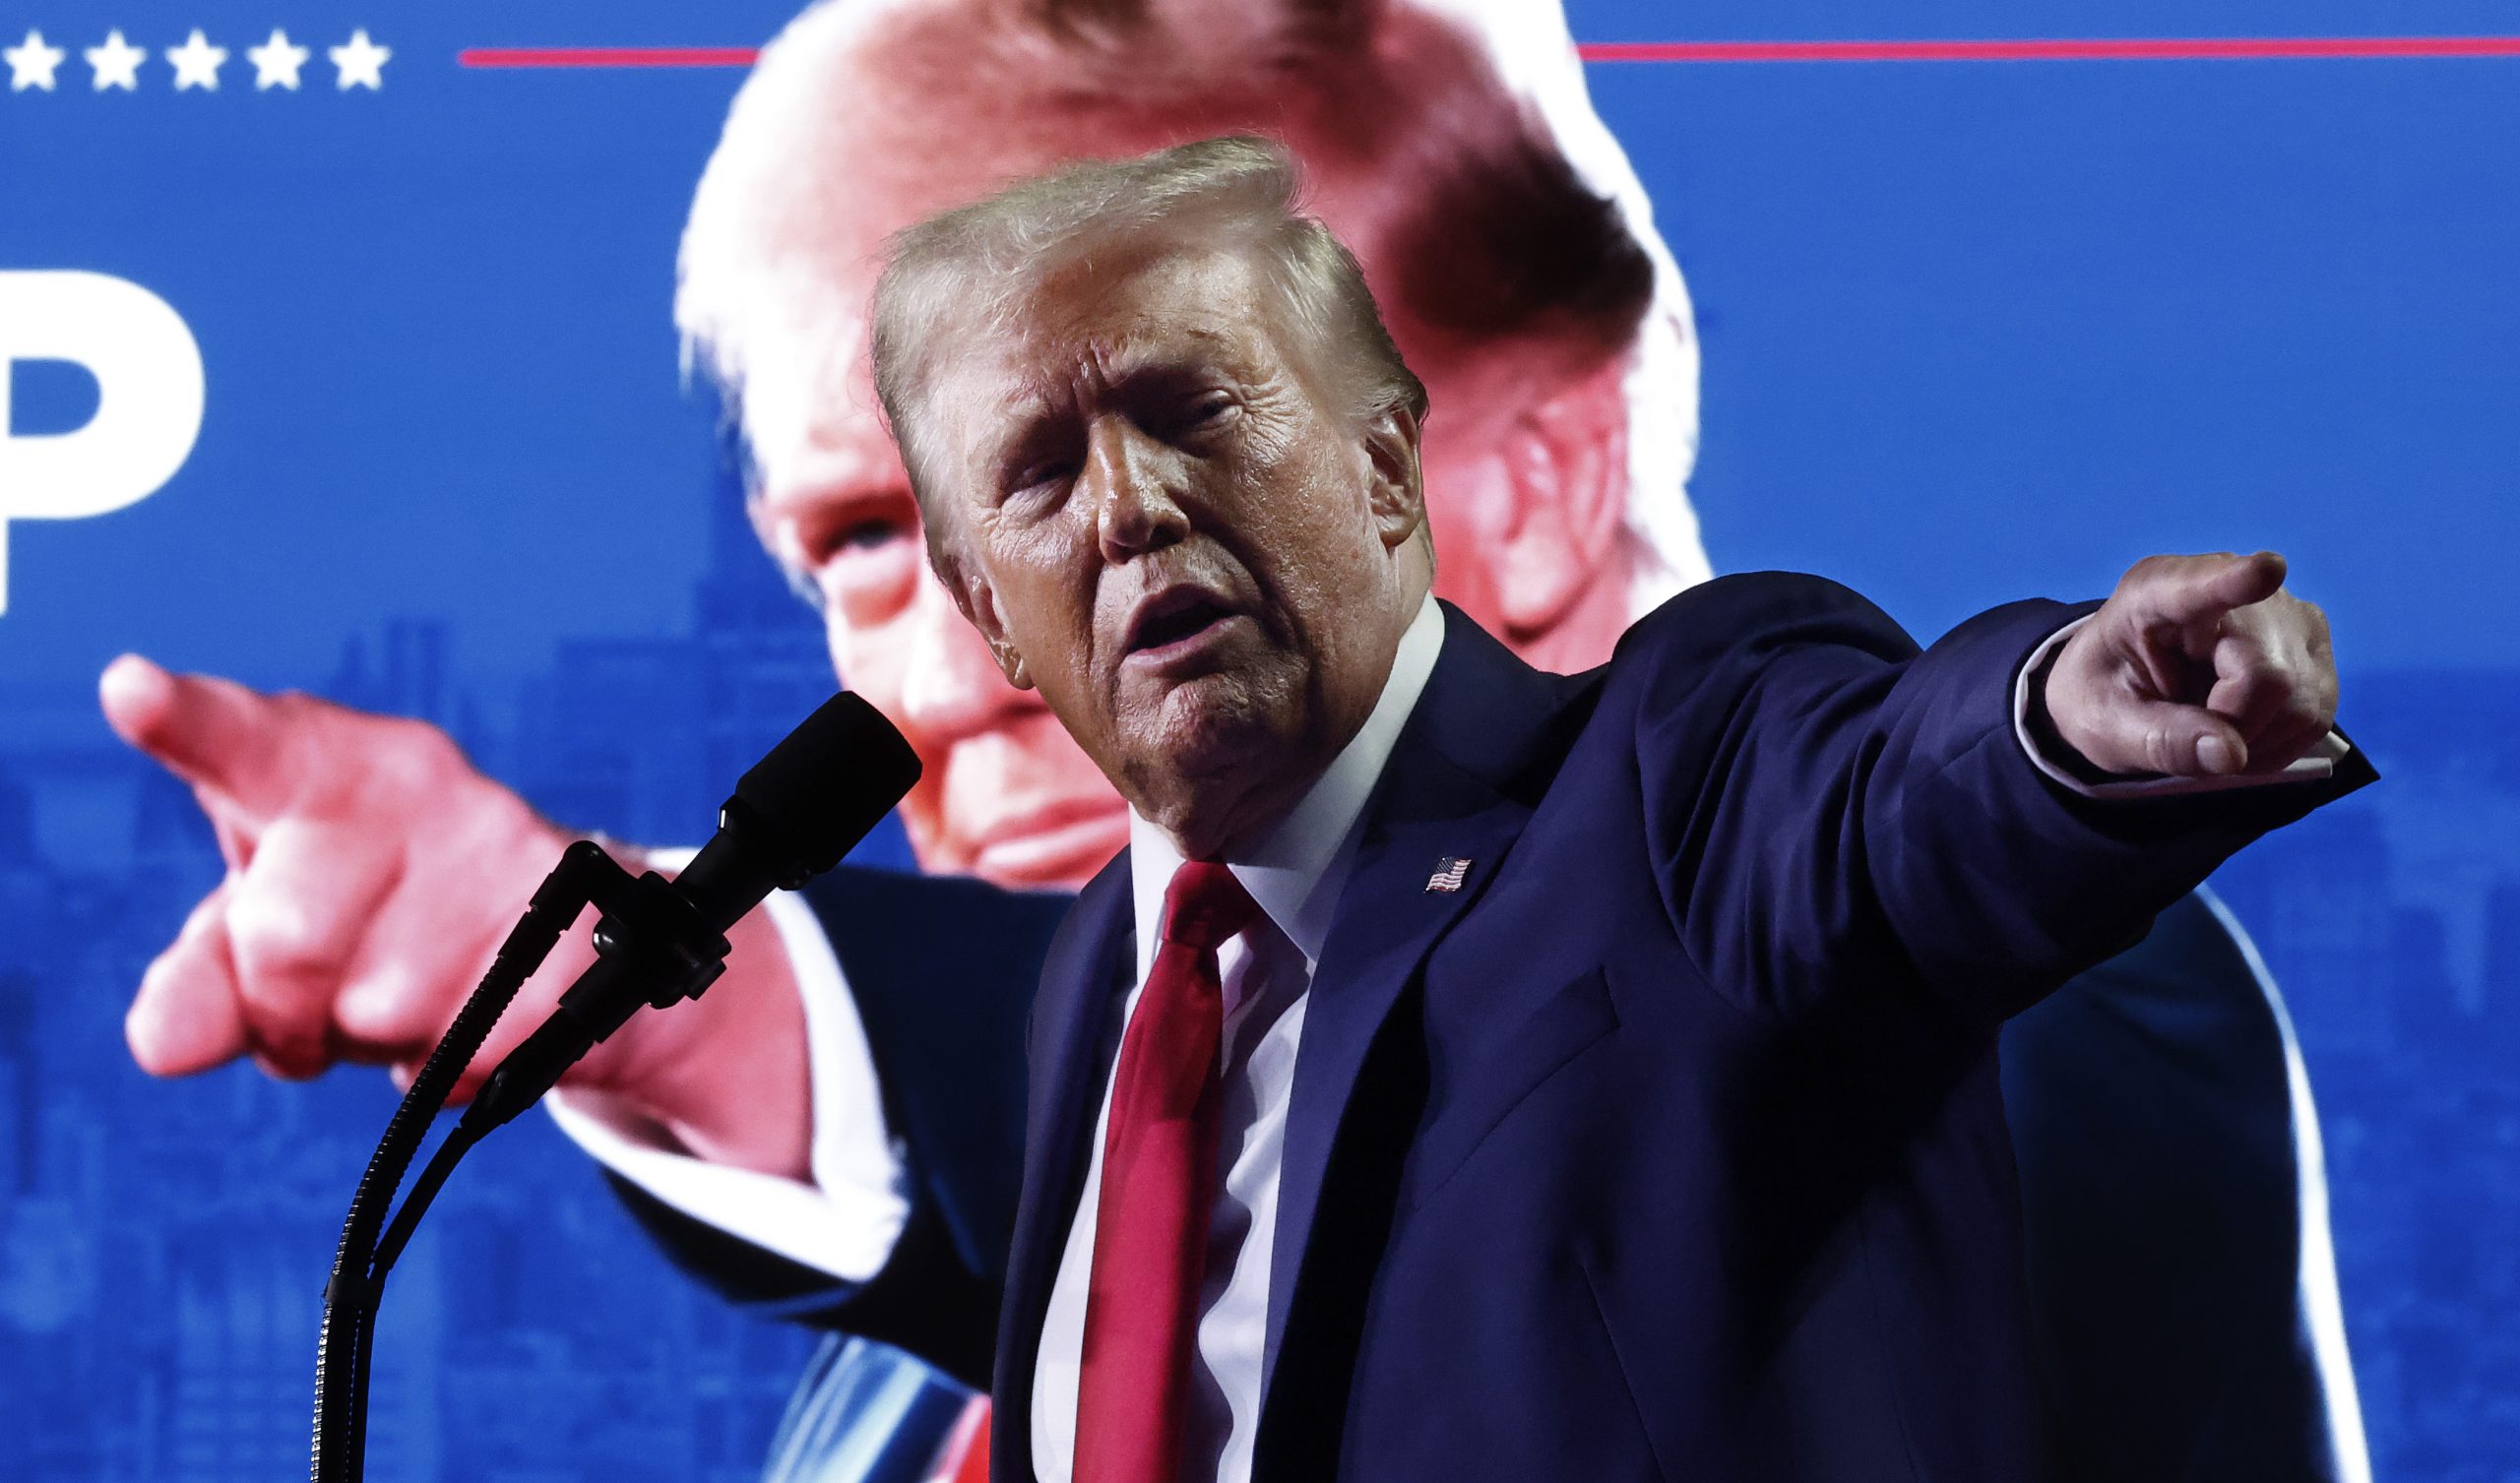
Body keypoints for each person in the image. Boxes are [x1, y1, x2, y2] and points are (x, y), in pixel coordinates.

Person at [99, 2, 2368, 1478]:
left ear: (1489, 470)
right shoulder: (1058, 1134)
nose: (989, 652)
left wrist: (2066, 732)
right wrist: (676, 1001)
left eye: (1191, 422)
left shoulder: (1937, 979)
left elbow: (1866, 842)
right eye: (900, 534)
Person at [829, 134, 2368, 1481]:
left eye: (1191, 410)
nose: (1128, 506)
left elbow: (1886, 794)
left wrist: (2058, 721)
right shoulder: (1107, 981)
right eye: (1040, 473)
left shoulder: (1665, 775)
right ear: (994, 617)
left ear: (1385, 468)